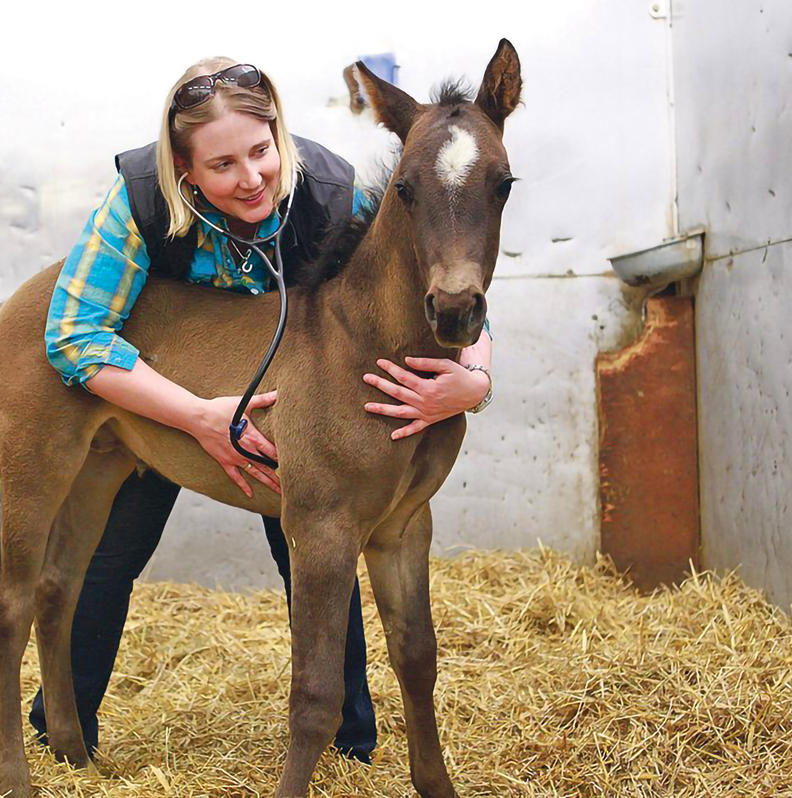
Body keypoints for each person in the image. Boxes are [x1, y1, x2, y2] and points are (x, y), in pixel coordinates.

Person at [34, 57, 494, 764]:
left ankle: (346, 745)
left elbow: (436, 258)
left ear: (280, 135)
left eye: (261, 151)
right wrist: (194, 415)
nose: (250, 177)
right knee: (109, 554)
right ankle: (60, 734)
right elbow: (70, 331)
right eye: (221, 165)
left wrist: (476, 376)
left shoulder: (333, 192)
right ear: (184, 170)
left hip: (290, 393)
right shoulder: (139, 203)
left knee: (315, 550)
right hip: (160, 387)